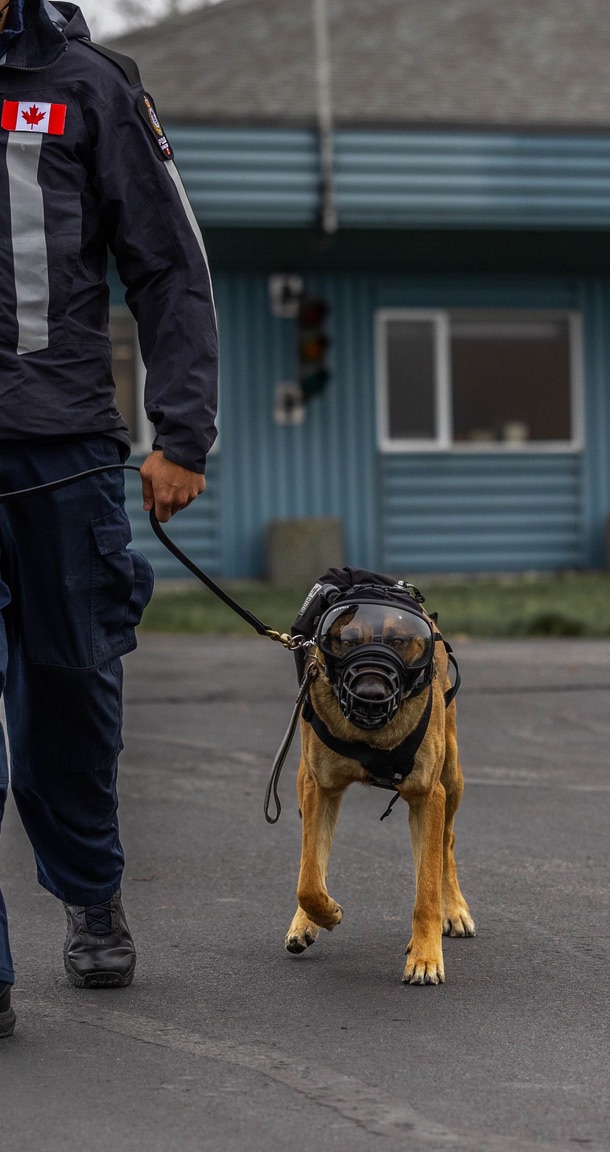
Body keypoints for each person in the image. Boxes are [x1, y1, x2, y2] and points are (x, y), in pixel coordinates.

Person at [0, 0, 218, 1038]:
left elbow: (168, 264)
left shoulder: (91, 84)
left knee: (70, 695)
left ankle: (91, 887)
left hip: (62, 455)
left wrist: (182, 432)